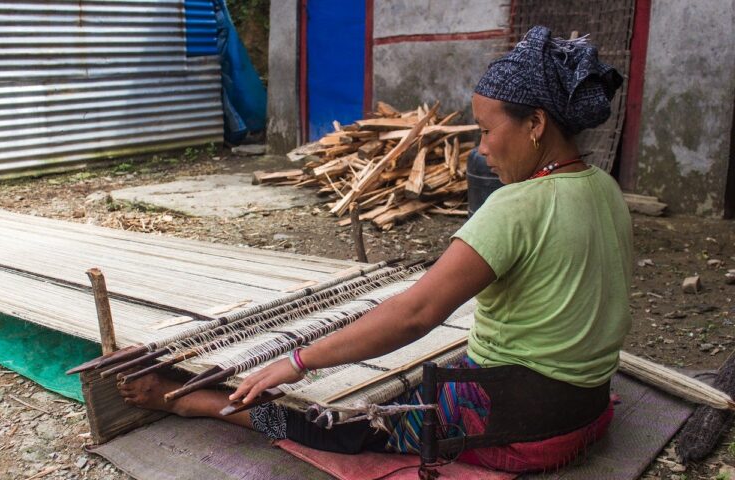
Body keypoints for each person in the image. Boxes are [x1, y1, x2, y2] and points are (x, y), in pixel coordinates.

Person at [118, 25, 632, 473]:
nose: (481, 149)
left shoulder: (516, 205)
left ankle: (199, 404)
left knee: (336, 422)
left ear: (536, 124)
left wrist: (298, 360)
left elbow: (414, 315)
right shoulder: (603, 188)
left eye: (487, 130)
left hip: (513, 427)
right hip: (584, 414)